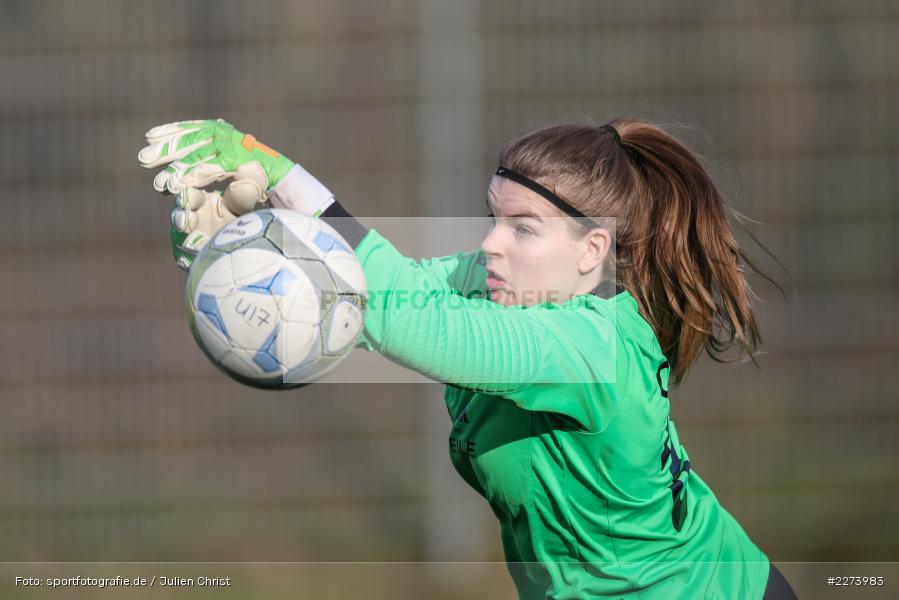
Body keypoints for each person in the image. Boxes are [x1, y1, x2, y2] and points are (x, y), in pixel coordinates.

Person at [139, 118, 798, 599]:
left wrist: (279, 173)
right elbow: (369, 290)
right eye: (493, 217)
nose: (489, 243)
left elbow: (400, 317)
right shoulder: (501, 284)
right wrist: (240, 252)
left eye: (522, 227)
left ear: (592, 252)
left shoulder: (587, 348)